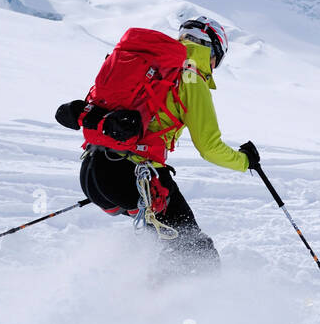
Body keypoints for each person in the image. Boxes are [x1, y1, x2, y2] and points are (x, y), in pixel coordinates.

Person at [62, 16, 259, 272]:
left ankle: (142, 293)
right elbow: (209, 147)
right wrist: (245, 161)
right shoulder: (190, 77)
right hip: (133, 176)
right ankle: (176, 304)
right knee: (196, 252)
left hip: (93, 171)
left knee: (168, 241)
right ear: (212, 52)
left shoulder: (150, 67)